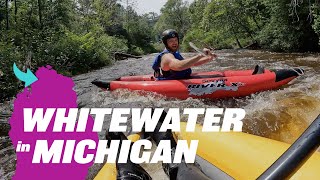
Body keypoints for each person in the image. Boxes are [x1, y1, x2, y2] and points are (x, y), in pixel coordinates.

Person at [152, 29, 217, 80]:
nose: (174, 43)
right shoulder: (166, 57)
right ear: (165, 43)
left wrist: (209, 57)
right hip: (173, 85)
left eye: (175, 40)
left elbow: (191, 63)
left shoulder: (175, 53)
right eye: (171, 41)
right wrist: (200, 55)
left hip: (183, 79)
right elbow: (179, 66)